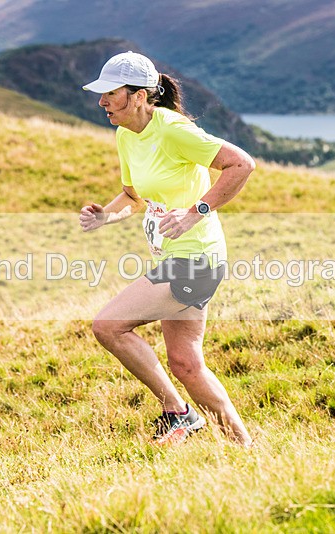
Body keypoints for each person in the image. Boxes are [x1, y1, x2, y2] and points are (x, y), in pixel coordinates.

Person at [80, 51, 255, 446]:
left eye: (111, 93)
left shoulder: (174, 130)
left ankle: (180, 414)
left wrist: (198, 210)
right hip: (177, 256)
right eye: (101, 93)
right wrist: (104, 216)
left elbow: (241, 165)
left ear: (140, 96)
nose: (102, 101)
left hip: (195, 259)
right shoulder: (126, 134)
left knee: (108, 326)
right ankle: (246, 450)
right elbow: (131, 196)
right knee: (187, 364)